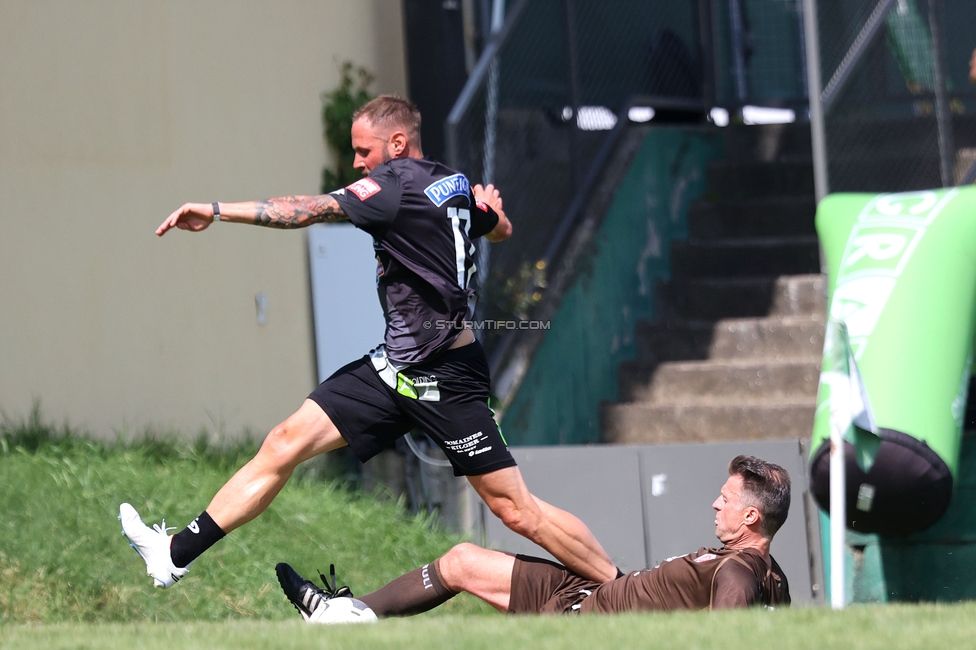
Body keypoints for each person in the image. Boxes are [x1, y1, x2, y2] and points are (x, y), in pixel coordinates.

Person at [119, 95, 618, 590]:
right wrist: (491, 210)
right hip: (394, 369)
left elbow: (308, 209)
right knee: (285, 441)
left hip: (445, 376)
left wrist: (216, 209)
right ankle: (172, 555)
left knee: (517, 511)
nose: (357, 163)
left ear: (397, 144)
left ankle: (623, 588)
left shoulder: (392, 184)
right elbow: (500, 227)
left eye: (364, 152)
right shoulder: (454, 183)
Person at [276, 455, 791, 624]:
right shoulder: (765, 575)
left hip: (583, 621)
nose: (715, 504)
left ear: (750, 515)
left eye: (725, 499)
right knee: (461, 561)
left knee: (517, 518)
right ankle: (345, 617)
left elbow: (730, 632)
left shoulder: (740, 572)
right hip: (590, 588)